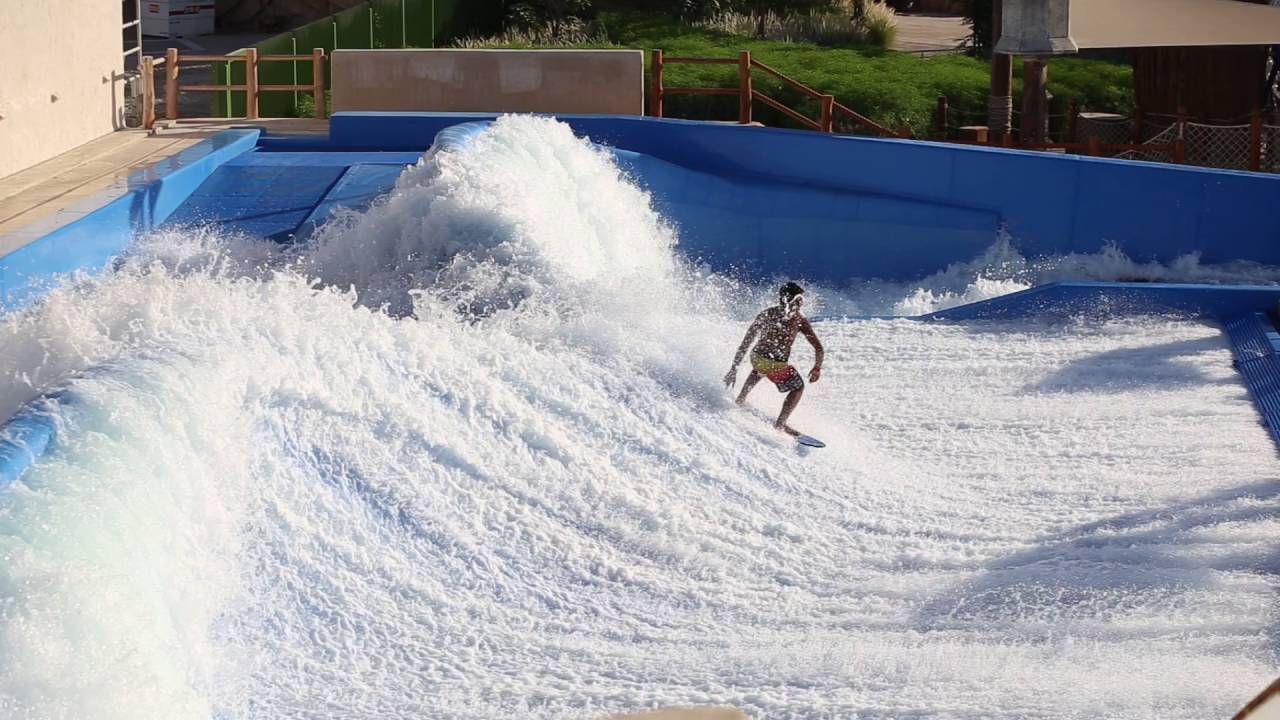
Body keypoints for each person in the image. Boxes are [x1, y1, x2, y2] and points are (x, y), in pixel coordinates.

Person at [723, 282, 825, 435]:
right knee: (798, 387)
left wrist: (733, 368)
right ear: (796, 301)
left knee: (761, 368)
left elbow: (745, 343)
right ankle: (780, 424)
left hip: (756, 358)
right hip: (773, 364)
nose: (803, 303)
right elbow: (819, 348)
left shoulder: (767, 313)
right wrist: (817, 368)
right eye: (801, 300)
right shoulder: (799, 320)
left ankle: (741, 398)